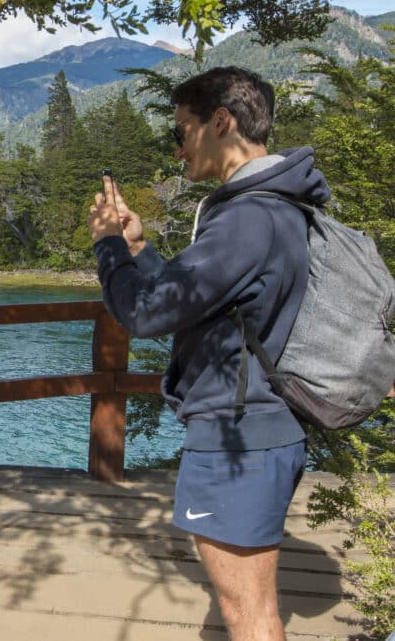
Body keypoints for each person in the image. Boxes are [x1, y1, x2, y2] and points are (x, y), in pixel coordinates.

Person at [86, 67, 328, 640]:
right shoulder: (275, 207)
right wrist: (141, 249)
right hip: (260, 430)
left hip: (237, 438)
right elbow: (193, 299)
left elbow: (145, 314)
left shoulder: (247, 218)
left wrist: (108, 247)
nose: (178, 148)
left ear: (222, 121)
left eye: (182, 130)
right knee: (252, 608)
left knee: (248, 614)